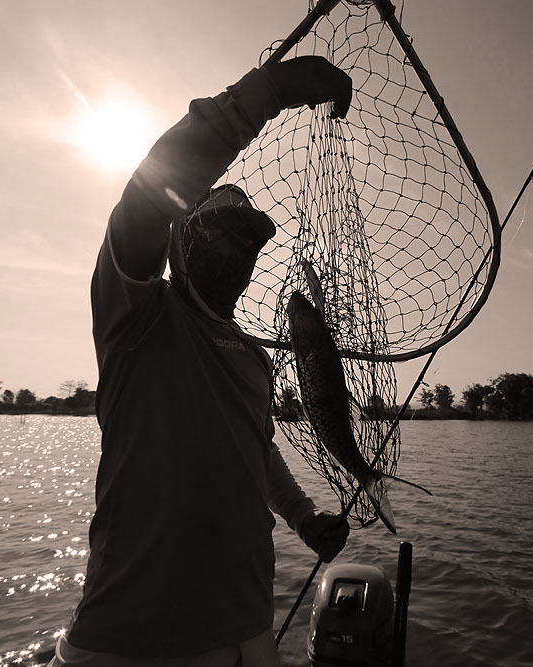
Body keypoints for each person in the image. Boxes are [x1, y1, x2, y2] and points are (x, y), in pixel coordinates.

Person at [49, 56, 354, 667]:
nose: (239, 250)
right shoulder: (136, 313)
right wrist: (264, 95)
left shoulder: (254, 358)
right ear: (182, 237)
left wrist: (303, 518)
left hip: (246, 631)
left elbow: (255, 450)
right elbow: (140, 205)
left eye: (250, 242)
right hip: (129, 643)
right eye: (221, 231)